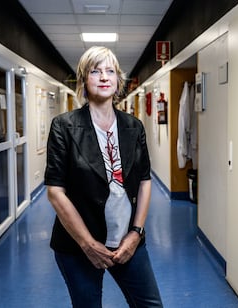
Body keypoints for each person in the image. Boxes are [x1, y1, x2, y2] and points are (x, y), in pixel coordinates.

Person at [44, 46, 163, 308]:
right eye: (95, 71)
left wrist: (135, 233)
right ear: (84, 81)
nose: (104, 77)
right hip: (78, 247)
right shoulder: (64, 127)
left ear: (118, 81)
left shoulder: (133, 127)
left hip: (127, 241)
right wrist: (87, 244)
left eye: (110, 71)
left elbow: (144, 180)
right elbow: (55, 191)